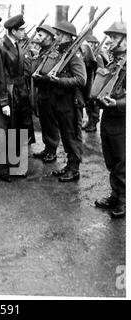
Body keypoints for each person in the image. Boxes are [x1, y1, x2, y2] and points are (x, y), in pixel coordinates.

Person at [38, 21, 86, 183]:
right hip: (60, 101)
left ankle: (74, 170)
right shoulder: (62, 52)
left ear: (66, 36)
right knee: (66, 136)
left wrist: (58, 80)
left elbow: (81, 79)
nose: (55, 37)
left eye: (58, 35)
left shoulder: (74, 54)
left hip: (70, 103)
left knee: (72, 136)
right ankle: (69, 166)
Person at [0, 14, 34, 182]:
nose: (24, 32)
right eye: (21, 30)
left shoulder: (18, 46)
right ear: (13, 30)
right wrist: (3, 103)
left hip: (19, 94)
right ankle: (3, 169)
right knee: (4, 131)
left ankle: (14, 163)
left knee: (16, 129)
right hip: (7, 94)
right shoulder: (0, 49)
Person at [94, 22, 126, 218]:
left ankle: (123, 200)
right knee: (111, 160)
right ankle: (115, 195)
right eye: (110, 37)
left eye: (115, 37)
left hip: (122, 118)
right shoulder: (114, 61)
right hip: (108, 116)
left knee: (122, 161)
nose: (111, 40)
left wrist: (117, 103)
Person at [32, 24, 60, 163]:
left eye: (41, 35)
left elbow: (50, 73)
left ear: (49, 36)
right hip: (42, 91)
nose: (38, 37)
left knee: (51, 122)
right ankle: (47, 148)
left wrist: (41, 77)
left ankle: (52, 150)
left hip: (51, 93)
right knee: (44, 121)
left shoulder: (54, 52)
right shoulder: (43, 51)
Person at [82, 34, 109, 132]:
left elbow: (102, 69)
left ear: (94, 44)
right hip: (89, 80)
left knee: (94, 103)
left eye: (90, 43)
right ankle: (89, 121)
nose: (89, 45)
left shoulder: (99, 55)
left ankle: (93, 123)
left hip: (96, 81)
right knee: (88, 103)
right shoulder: (88, 54)